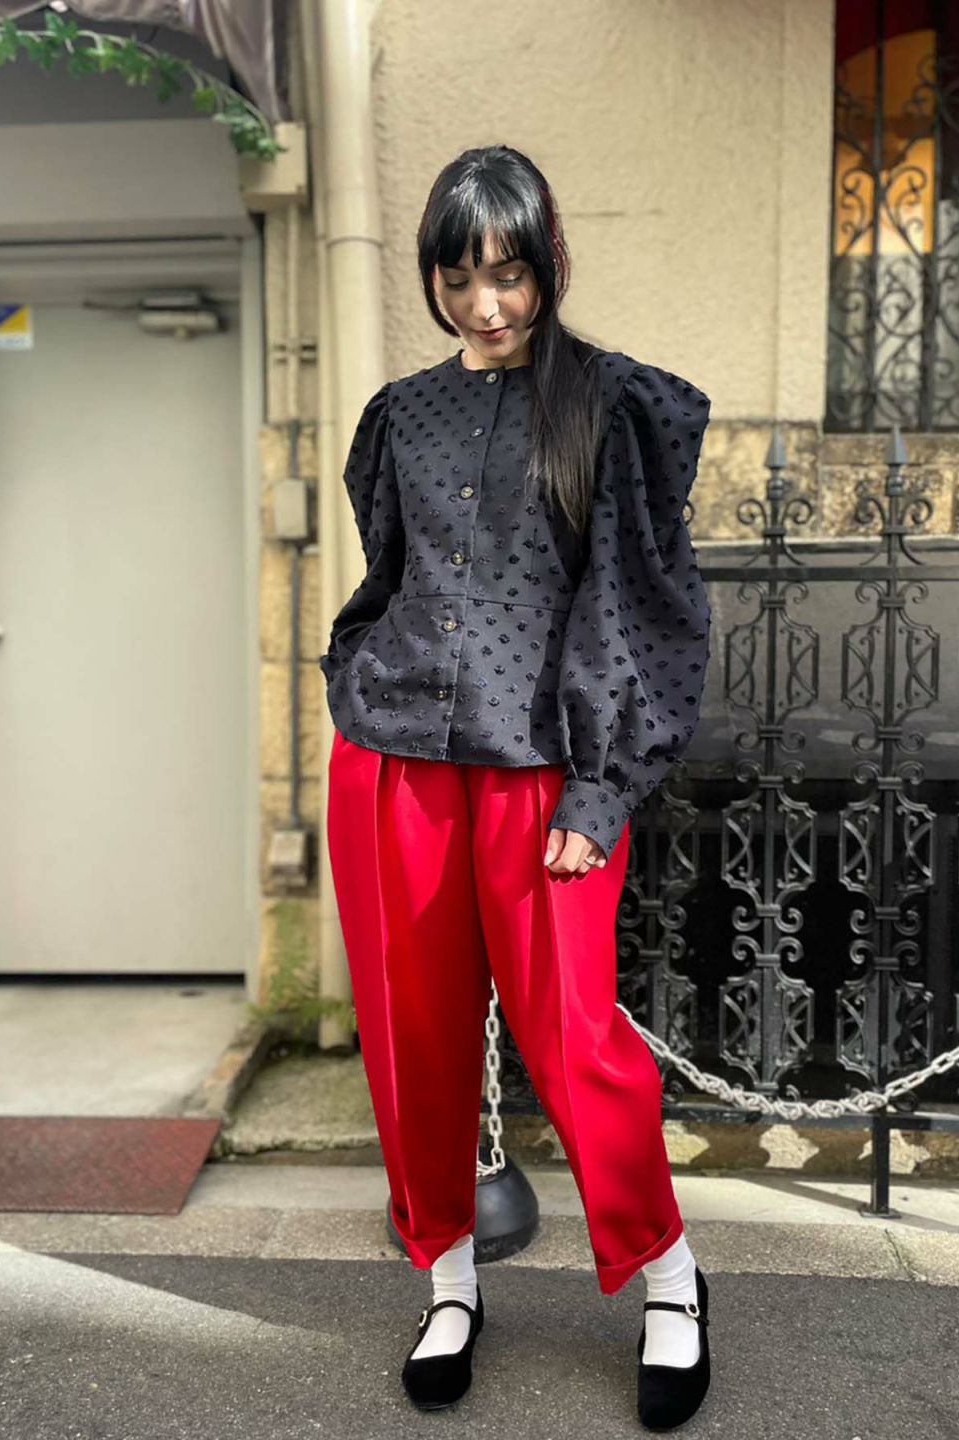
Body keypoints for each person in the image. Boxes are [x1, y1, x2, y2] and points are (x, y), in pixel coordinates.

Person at [320, 144, 713, 1430]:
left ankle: (671, 1279)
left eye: (510, 272)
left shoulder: (609, 405)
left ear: (549, 266)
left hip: (544, 775)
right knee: (415, 1043)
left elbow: (637, 607)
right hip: (396, 767)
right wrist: (354, 680)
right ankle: (448, 1283)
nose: (486, 303)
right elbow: (391, 578)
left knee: (578, 1045)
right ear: (434, 277)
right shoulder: (401, 415)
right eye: (459, 276)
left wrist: (601, 792)